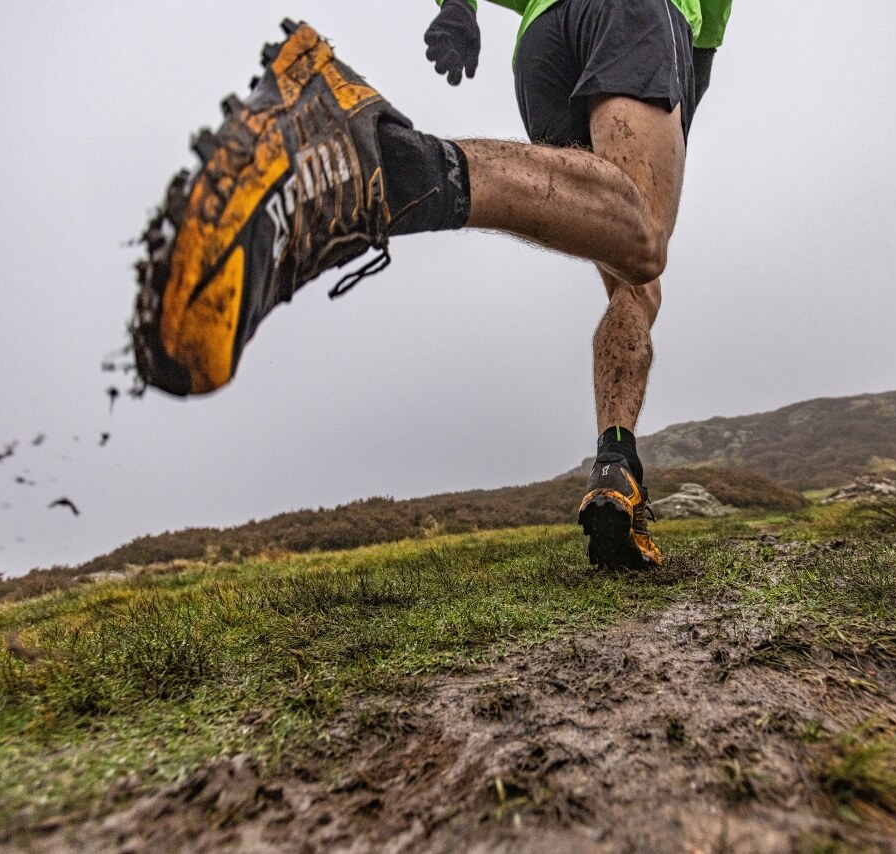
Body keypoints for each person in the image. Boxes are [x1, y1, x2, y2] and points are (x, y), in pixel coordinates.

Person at [131, 1, 731, 570]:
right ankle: (388, 166)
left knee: (632, 279)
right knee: (645, 235)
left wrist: (460, 7)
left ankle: (616, 465)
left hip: (543, 45)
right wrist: (676, 99)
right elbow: (706, 34)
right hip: (637, 16)